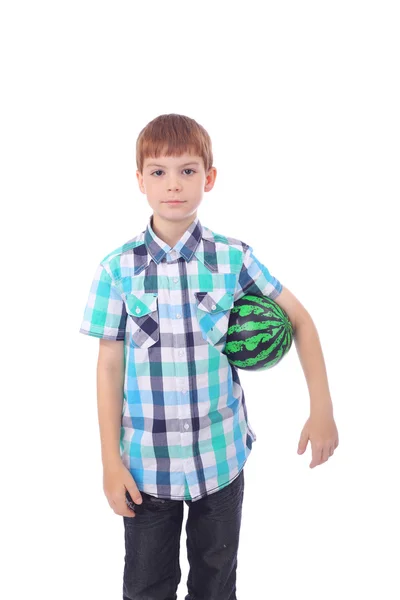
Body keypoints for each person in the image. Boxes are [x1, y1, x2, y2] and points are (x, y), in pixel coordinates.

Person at [79, 113, 339, 600]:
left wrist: (321, 408)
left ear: (209, 177)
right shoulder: (116, 269)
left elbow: (300, 319)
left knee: (216, 584)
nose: (172, 184)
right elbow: (109, 366)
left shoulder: (233, 257)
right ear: (139, 180)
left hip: (221, 461)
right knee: (146, 587)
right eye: (158, 171)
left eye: (187, 170)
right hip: (145, 467)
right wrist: (109, 461)